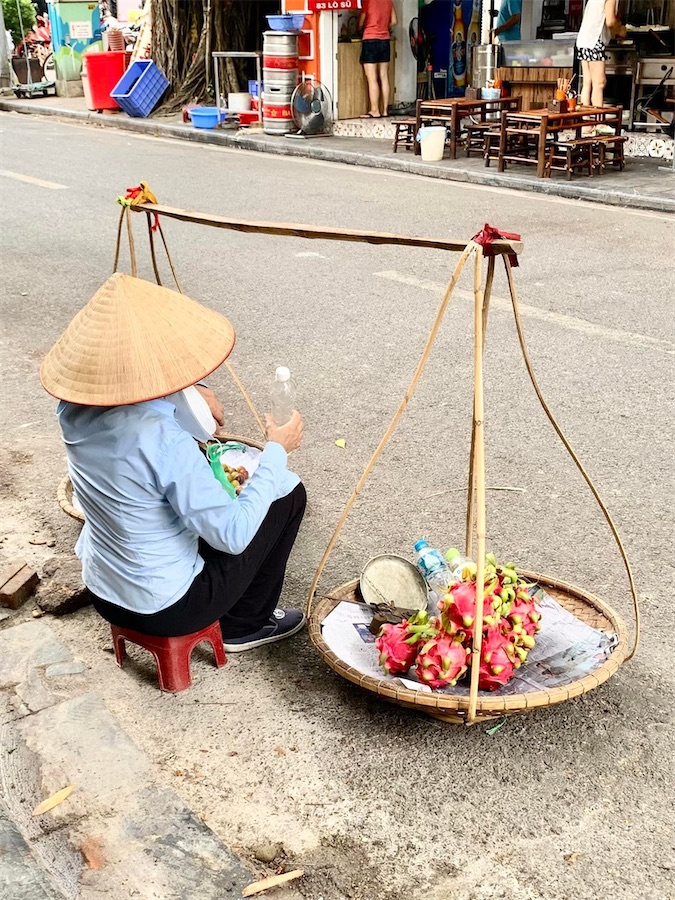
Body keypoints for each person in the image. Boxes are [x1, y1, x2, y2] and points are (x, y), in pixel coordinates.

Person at [40, 273, 307, 652]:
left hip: (103, 589)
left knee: (206, 501)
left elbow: (140, 394)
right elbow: (231, 536)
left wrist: (196, 391)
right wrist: (277, 450)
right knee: (288, 494)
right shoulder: (161, 439)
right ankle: (245, 625)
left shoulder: (72, 409)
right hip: (167, 607)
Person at [577, 0, 625, 111]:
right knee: (600, 83)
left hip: (584, 39)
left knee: (587, 83)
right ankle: (599, 123)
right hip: (595, 40)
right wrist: (620, 31)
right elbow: (610, 22)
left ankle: (586, 123)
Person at [359, 0, 397, 119]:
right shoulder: (388, 1)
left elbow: (361, 22)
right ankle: (385, 110)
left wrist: (361, 28)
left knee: (372, 78)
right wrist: (384, 27)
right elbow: (395, 21)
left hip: (370, 40)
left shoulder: (368, 1)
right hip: (385, 40)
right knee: (384, 76)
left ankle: (375, 110)